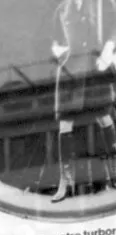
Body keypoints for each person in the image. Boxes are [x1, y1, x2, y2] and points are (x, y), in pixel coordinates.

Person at [50, 0, 116, 200]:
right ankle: (66, 183)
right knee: (65, 124)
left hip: (96, 66)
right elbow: (54, 43)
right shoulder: (61, 10)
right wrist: (60, 52)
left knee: (104, 117)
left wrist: (107, 54)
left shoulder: (102, 3)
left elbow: (114, 30)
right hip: (71, 72)